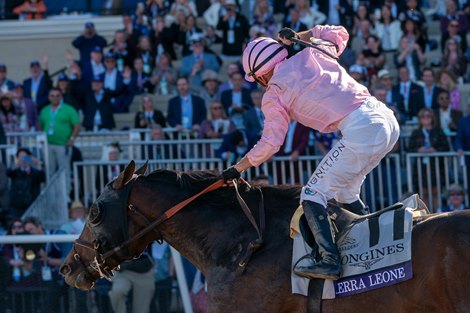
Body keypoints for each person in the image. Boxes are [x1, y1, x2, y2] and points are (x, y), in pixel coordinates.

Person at [221, 25, 400, 281]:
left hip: (362, 128)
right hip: (386, 119)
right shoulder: (312, 52)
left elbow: (271, 143)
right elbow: (339, 34)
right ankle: (372, 245)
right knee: (345, 192)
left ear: (260, 76)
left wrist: (238, 168)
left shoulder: (274, 94)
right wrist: (300, 37)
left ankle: (330, 261)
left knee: (312, 193)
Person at [38, 88, 80, 197]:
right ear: (49, 97)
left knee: (64, 170)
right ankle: (51, 195)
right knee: (49, 171)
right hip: (48, 145)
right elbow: (40, 125)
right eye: (52, 95)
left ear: (61, 97)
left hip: (63, 145)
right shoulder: (45, 110)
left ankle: (65, 196)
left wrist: (71, 139)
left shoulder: (68, 109)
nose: (55, 98)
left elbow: (76, 125)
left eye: (57, 95)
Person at [7, 148, 45, 218]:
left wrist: (37, 163)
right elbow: (8, 172)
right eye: (20, 157)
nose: (23, 159)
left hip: (31, 205)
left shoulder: (35, 172)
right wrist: (17, 164)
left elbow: (42, 178)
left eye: (25, 157)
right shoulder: (14, 172)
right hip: (16, 206)